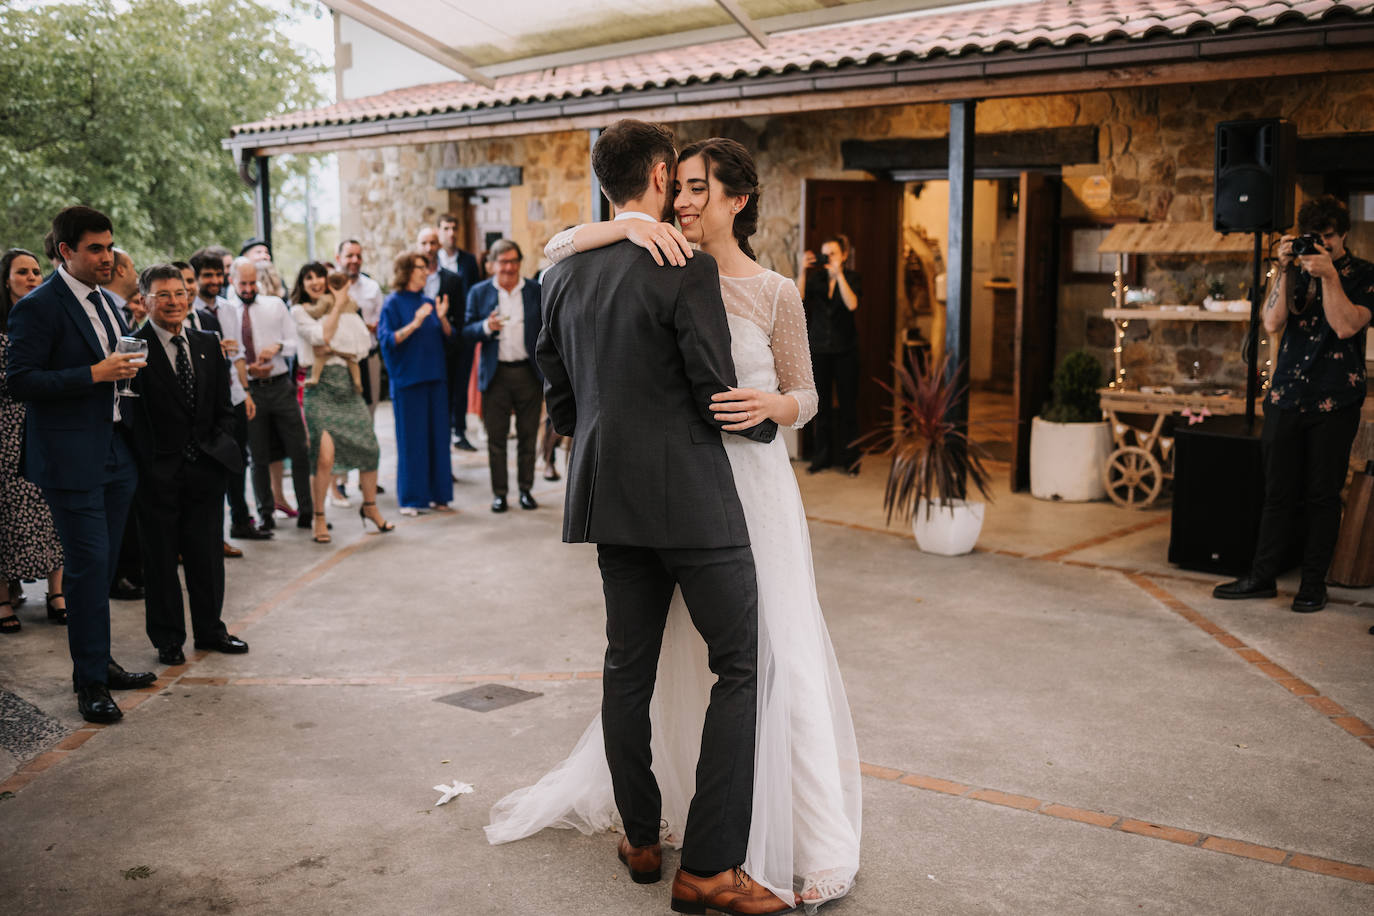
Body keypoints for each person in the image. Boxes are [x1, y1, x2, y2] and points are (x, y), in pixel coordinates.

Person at [493, 130, 863, 910]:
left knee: (633, 666)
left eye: (703, 188)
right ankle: (710, 861)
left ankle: (640, 833)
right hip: (697, 494)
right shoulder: (677, 266)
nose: (687, 199)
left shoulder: (567, 275)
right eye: (681, 184)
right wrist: (752, 423)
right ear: (661, 179)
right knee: (737, 664)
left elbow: (565, 383)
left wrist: (777, 410)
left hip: (639, 495)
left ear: (738, 199)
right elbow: (704, 383)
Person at [6, 206, 155, 723]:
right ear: (66, 251)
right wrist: (93, 373)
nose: (106, 256)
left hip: (117, 450)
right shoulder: (38, 307)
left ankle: (100, 662)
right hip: (70, 458)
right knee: (87, 569)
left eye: (110, 245)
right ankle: (89, 683)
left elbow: (119, 362)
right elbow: (20, 381)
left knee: (103, 568)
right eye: (95, 248)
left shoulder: (110, 303)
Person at [1214, 196, 1374, 613]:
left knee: (1322, 496)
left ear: (1343, 236)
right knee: (1277, 493)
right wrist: (1284, 270)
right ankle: (1261, 577)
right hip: (1286, 395)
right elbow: (1271, 322)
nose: (1319, 247)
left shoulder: (1364, 275)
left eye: (1327, 239)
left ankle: (1312, 585)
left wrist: (1330, 277)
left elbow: (1345, 326)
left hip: (1336, 401)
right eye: (1312, 239)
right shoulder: (1295, 270)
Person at [126, 264, 249, 665]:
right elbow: (129, 417)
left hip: (206, 468)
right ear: (145, 301)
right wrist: (148, 463)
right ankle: (168, 639)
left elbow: (222, 406)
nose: (174, 302)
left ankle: (211, 630)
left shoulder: (207, 342)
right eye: (163, 295)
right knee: (160, 560)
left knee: (207, 556)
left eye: (180, 293)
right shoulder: (133, 347)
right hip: (157, 473)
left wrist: (221, 445)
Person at [290, 269, 391, 541]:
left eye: (319, 277)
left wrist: (332, 341)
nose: (315, 282)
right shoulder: (300, 311)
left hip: (348, 385)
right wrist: (333, 323)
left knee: (370, 447)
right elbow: (321, 339)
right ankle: (319, 518)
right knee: (324, 457)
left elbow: (360, 346)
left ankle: (370, 507)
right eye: (308, 278)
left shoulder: (348, 309)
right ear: (301, 283)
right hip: (318, 388)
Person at [0, 248, 66, 634]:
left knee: (50, 507)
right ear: (6, 279)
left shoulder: (48, 318)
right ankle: (4, 597)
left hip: (42, 423)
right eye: (22, 272)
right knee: (7, 514)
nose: (31, 278)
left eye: (36, 271)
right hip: (5, 429)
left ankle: (56, 593)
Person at [190, 249, 269, 545]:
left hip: (232, 394)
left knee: (239, 459)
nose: (214, 280)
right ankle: (213, 534)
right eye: (207, 275)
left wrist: (245, 392)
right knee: (212, 466)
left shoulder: (228, 309)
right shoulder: (189, 310)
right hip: (203, 398)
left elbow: (238, 356)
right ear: (196, 278)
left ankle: (240, 520)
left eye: (217, 275)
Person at [230, 257, 314, 531]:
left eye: (252, 282)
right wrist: (247, 370)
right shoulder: (227, 311)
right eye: (243, 283)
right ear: (233, 282)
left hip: (279, 386)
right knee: (258, 456)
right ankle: (265, 513)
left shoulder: (275, 305)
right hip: (250, 389)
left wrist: (277, 347)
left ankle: (307, 510)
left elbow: (294, 344)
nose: (248, 288)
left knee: (299, 449)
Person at [463, 240, 544, 513]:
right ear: (492, 265)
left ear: (520, 262)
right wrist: (486, 326)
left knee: (527, 436)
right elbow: (467, 329)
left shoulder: (535, 291)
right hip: (495, 374)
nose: (508, 267)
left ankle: (525, 490)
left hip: (528, 372)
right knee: (496, 439)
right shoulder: (478, 293)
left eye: (513, 261)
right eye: (502, 262)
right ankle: (500, 494)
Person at [377, 250, 454, 516]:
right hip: (408, 381)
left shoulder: (429, 301)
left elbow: (447, 337)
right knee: (412, 441)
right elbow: (387, 340)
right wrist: (416, 322)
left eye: (426, 267)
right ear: (406, 271)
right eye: (421, 267)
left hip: (435, 378)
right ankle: (412, 498)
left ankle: (439, 495)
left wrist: (441, 317)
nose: (426, 271)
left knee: (438, 439)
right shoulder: (392, 303)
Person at [798, 235, 862, 475]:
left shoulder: (853, 278)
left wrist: (839, 276)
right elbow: (798, 298)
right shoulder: (816, 279)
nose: (828, 258)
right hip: (819, 349)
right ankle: (821, 457)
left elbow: (852, 304)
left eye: (832, 254)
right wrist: (803, 271)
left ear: (844, 256)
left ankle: (851, 460)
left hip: (846, 349)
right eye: (825, 254)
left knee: (848, 406)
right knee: (820, 406)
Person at [417, 225, 471, 456]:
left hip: (445, 355)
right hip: (417, 355)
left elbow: (460, 321)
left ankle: (442, 463)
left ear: (439, 246)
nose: (429, 248)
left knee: (443, 411)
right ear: (418, 246)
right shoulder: (409, 279)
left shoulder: (453, 280)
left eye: (433, 243)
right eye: (424, 243)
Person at [438, 213, 480, 451]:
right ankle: (443, 430)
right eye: (446, 228)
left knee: (461, 383)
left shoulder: (468, 261)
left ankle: (459, 430)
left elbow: (472, 293)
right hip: (441, 330)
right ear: (439, 231)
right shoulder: (433, 260)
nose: (451, 232)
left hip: (462, 331)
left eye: (454, 228)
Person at [336, 239, 385, 428]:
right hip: (340, 359)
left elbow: (383, 324)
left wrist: (375, 327)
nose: (354, 260)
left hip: (368, 357)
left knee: (368, 409)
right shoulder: (330, 286)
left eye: (358, 256)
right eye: (349, 255)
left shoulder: (372, 287)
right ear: (338, 257)